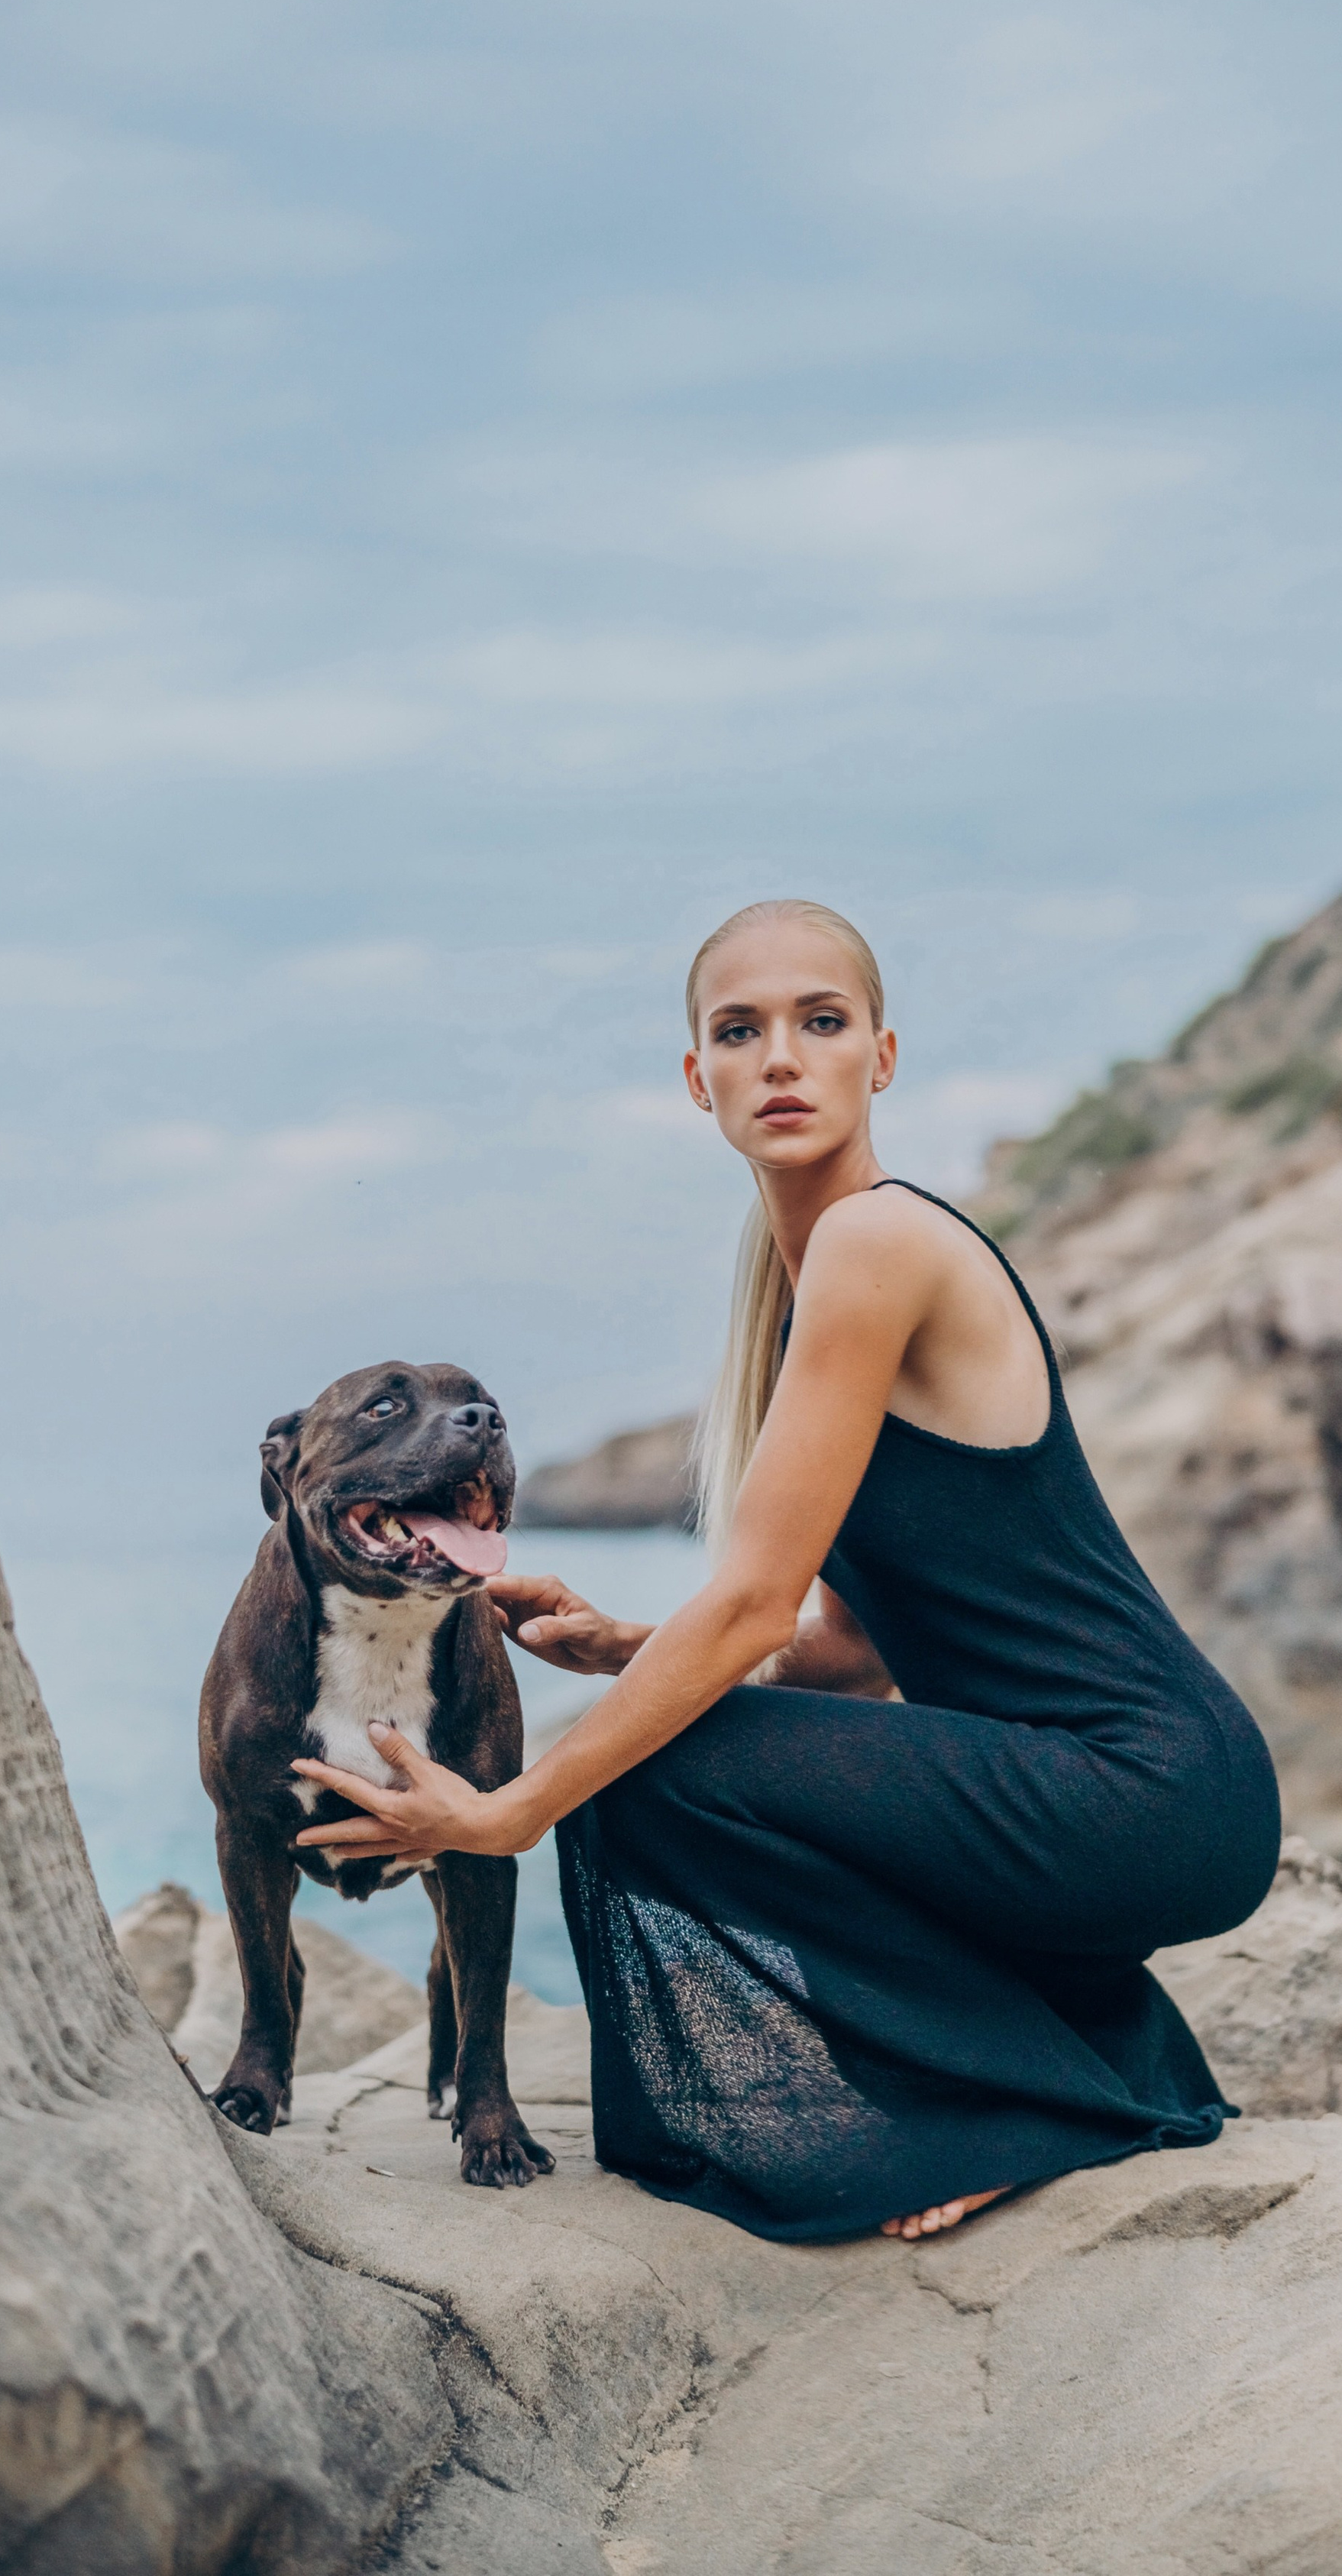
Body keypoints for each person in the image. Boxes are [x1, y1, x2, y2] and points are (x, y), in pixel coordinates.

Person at [295, 899, 1282, 2244]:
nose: (781, 1059)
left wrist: (507, 1812)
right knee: (677, 1738)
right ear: (698, 1082)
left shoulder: (879, 1245)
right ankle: (1090, 2068)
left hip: (1137, 1787)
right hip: (1140, 1793)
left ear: (882, 1056)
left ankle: (1006, 2108)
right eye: (740, 1031)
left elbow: (752, 1608)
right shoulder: (803, 1274)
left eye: (821, 1023)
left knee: (643, 1774)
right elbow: (857, 1651)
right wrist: (629, 1644)